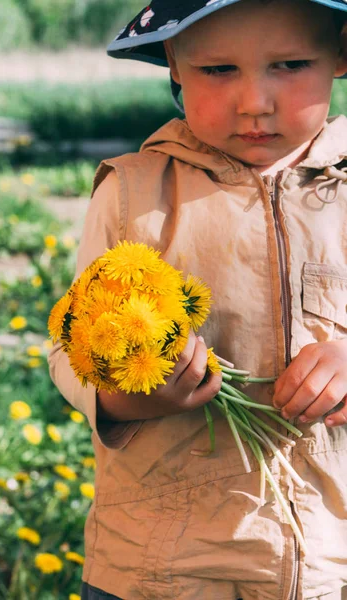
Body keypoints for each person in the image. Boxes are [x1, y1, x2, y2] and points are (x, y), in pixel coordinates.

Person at [48, 1, 347, 598]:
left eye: (289, 64)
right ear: (173, 63)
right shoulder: (135, 194)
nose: (254, 101)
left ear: (341, 53)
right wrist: (132, 396)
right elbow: (71, 348)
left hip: (330, 561)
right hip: (164, 567)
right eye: (218, 70)